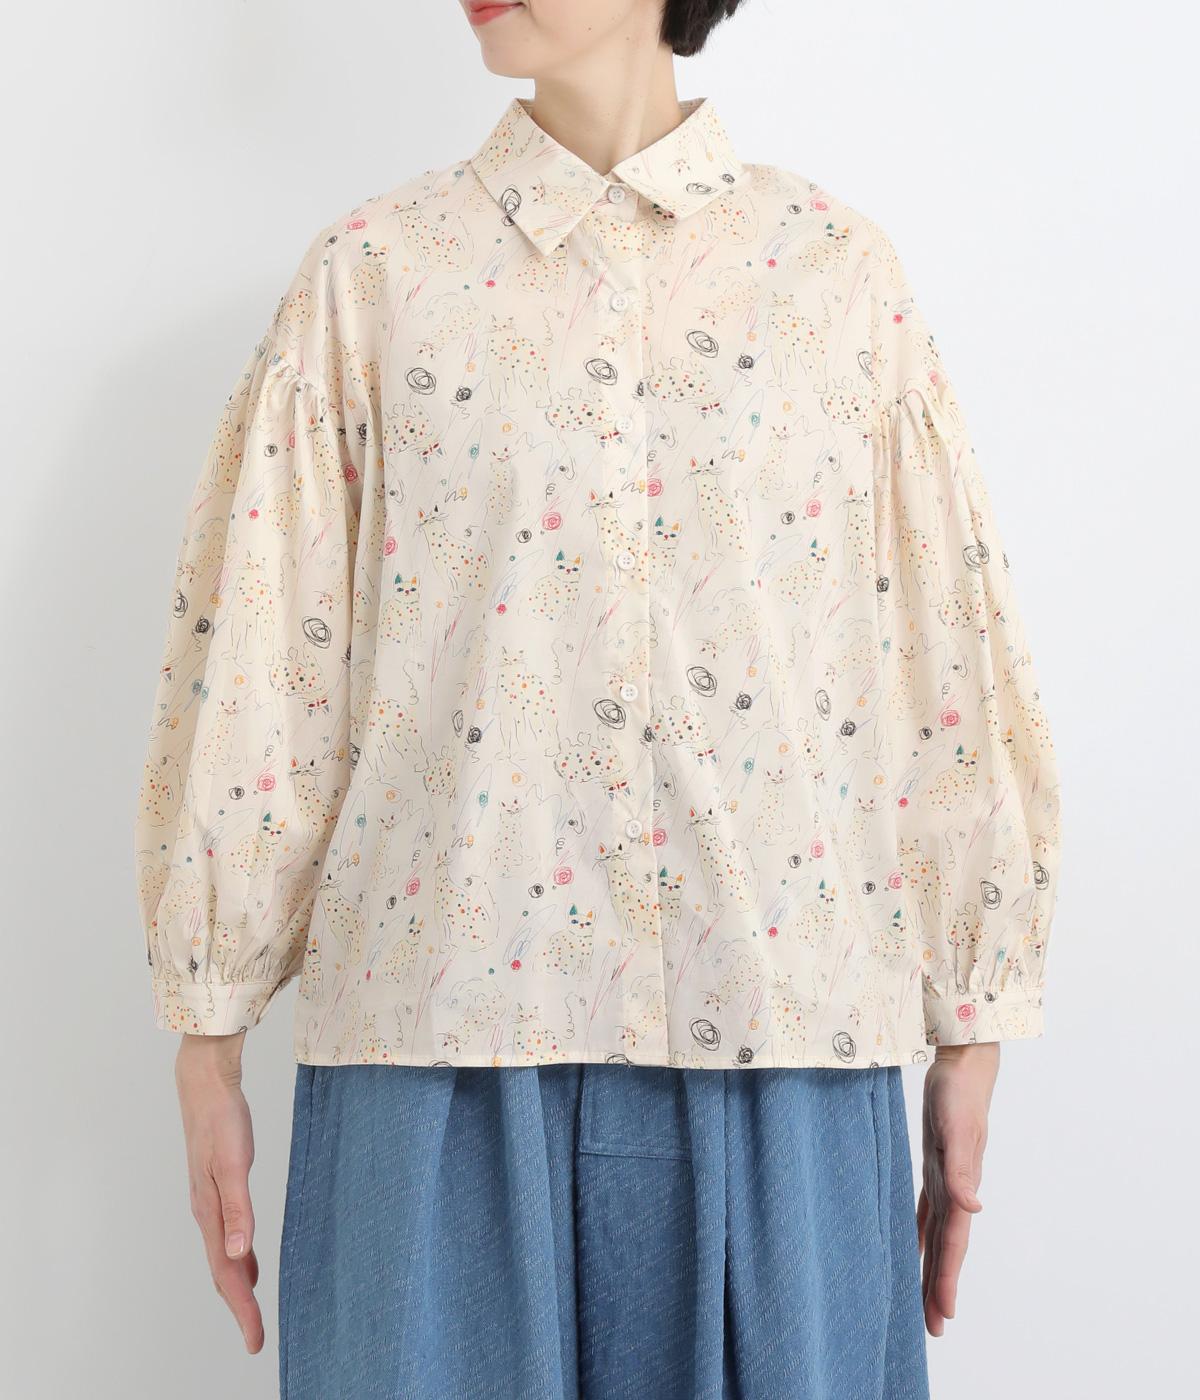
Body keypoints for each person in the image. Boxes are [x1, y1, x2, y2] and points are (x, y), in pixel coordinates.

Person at [132, 1, 1064, 1395]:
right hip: (437, 1049)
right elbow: (270, 666)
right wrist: (207, 1034)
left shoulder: (834, 278)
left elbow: (941, 652)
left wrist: (972, 1016)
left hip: (782, 1040)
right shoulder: (374, 280)